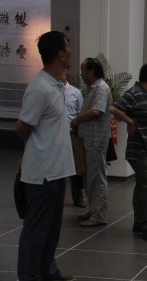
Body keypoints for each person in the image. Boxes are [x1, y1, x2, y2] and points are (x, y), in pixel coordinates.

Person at [14, 31, 76, 281]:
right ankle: (28, 278)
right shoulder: (39, 87)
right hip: (42, 171)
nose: (71, 50)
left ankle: (47, 270)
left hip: (58, 169)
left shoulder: (56, 84)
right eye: (68, 46)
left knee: (51, 227)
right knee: (36, 227)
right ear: (60, 54)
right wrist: (29, 154)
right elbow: (22, 126)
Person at [109, 63, 147, 242]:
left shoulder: (146, 96)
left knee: (143, 186)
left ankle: (139, 222)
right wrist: (129, 122)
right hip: (140, 151)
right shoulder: (134, 93)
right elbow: (113, 108)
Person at [71, 57, 112, 227]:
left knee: (97, 179)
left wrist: (78, 119)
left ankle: (99, 215)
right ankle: (93, 209)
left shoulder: (101, 88)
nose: (81, 74)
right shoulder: (92, 88)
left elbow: (96, 111)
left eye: (83, 71)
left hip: (96, 141)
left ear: (92, 71)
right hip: (88, 141)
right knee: (89, 179)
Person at [62, 71, 85, 208]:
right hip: (56, 136)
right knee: (58, 167)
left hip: (71, 134)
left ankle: (78, 198)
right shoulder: (51, 91)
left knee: (75, 168)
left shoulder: (75, 93)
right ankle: (57, 197)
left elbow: (80, 113)